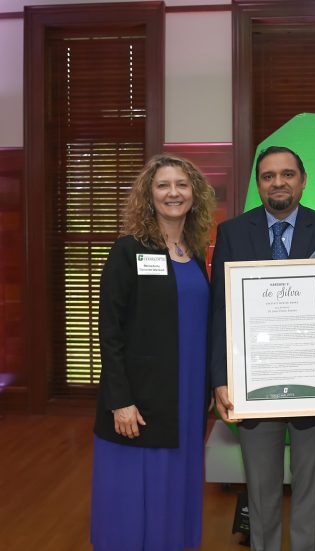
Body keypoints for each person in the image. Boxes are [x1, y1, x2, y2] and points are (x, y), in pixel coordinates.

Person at [211, 145, 315, 551]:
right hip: (253, 385)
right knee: (261, 490)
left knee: (310, 489)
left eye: (287, 174)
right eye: (269, 176)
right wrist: (221, 379)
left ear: (303, 181)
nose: (278, 183)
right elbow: (220, 310)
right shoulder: (233, 233)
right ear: (258, 184)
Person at [91, 154, 216, 551]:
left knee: (178, 484)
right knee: (132, 494)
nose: (173, 193)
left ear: (194, 195)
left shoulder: (194, 255)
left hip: (187, 397)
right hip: (141, 399)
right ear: (149, 195)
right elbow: (109, 331)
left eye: (182, 184)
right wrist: (120, 399)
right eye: (163, 185)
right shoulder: (128, 251)